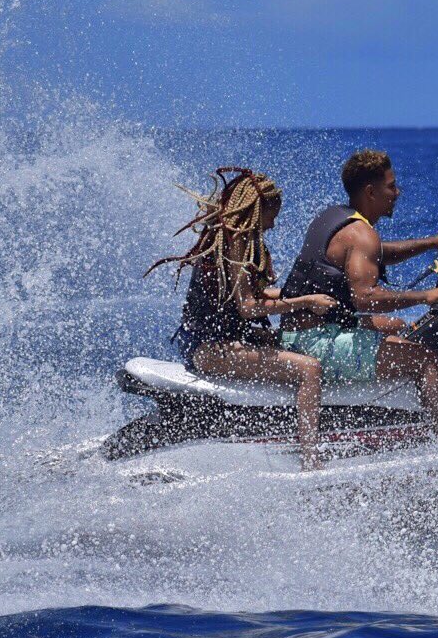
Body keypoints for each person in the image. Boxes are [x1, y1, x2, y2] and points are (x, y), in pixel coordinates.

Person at [146, 168, 341, 468]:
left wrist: (306, 295)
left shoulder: (232, 239)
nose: (274, 224)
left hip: (216, 339)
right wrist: (304, 301)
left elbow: (253, 298)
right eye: (272, 215)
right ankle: (311, 460)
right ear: (257, 210)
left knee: (293, 343)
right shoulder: (235, 242)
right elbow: (250, 307)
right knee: (310, 369)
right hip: (209, 347)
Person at [279, 149, 438, 429]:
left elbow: (377, 254)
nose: (397, 193)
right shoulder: (362, 234)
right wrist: (425, 296)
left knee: (397, 325)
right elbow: (364, 298)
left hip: (300, 330)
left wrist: (432, 242)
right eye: (391, 186)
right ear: (370, 192)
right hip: (313, 342)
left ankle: (403, 420)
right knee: (424, 359)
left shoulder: (336, 217)